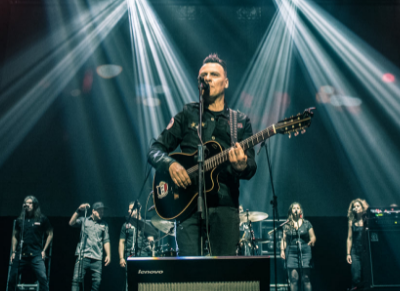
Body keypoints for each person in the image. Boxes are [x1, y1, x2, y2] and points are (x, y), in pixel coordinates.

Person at [148, 53, 257, 256]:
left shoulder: (239, 121)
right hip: (186, 207)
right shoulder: (187, 114)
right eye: (203, 76)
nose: (207, 78)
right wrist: (170, 164)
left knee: (223, 277)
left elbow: (250, 166)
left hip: (224, 207)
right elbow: (154, 149)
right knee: (189, 275)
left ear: (226, 83)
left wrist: (241, 165)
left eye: (214, 75)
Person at [6, 196, 52, 291]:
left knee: (43, 278)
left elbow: (50, 234)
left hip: (36, 254)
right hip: (21, 254)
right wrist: (14, 252)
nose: (27, 205)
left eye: (30, 203)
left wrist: (44, 250)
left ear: (35, 205)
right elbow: (14, 236)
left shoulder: (42, 218)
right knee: (11, 279)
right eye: (26, 203)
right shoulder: (20, 220)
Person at [70, 202, 110, 291]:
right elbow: (71, 223)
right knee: (76, 280)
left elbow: (106, 240)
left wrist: (108, 255)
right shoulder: (84, 220)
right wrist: (79, 209)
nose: (101, 213)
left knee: (97, 282)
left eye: (102, 211)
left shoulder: (104, 224)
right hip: (83, 256)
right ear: (93, 211)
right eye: (99, 211)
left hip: (97, 258)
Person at [280, 202, 316, 291]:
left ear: (300, 211)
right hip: (291, 251)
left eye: (298, 208)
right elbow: (284, 239)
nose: (296, 210)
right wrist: (282, 250)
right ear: (291, 211)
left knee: (306, 278)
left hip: (305, 250)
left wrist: (312, 241)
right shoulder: (287, 224)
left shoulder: (306, 223)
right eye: (294, 208)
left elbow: (313, 236)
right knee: (293, 278)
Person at [119, 202, 153, 290]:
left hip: (143, 256)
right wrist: (121, 258)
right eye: (129, 209)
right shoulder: (125, 225)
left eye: (131, 209)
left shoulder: (145, 224)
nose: (128, 211)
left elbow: (151, 240)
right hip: (129, 256)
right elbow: (121, 242)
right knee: (129, 281)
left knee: (143, 281)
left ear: (138, 210)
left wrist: (151, 243)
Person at [346, 198, 370, 290]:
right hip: (355, 252)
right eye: (354, 207)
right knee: (356, 277)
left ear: (362, 207)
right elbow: (349, 238)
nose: (355, 208)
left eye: (357, 206)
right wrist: (348, 253)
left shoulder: (367, 220)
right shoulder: (351, 222)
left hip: (366, 251)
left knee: (367, 277)